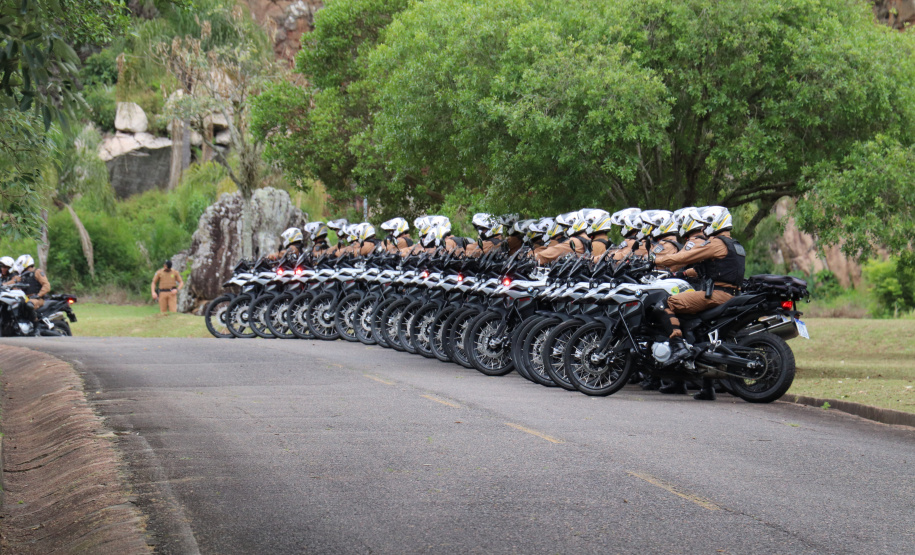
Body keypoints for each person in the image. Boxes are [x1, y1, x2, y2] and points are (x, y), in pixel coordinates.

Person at [653, 206, 746, 401]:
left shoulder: (716, 243)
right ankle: (707, 386)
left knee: (665, 304)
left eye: (706, 224)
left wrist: (656, 260)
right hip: (730, 294)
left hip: (717, 295)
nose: (704, 229)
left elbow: (685, 257)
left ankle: (677, 346)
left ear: (715, 222)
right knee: (700, 330)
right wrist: (685, 273)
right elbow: (712, 268)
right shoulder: (733, 244)